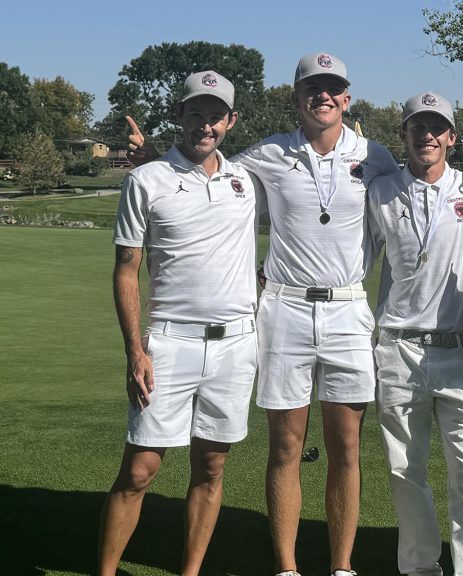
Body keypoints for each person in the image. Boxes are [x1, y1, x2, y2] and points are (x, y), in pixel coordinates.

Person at [128, 52, 399, 576]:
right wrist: (150, 163)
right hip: (285, 309)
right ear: (295, 98)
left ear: (347, 97)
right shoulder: (266, 155)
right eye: (311, 89)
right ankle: (287, 567)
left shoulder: (377, 157)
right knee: (287, 447)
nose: (323, 96)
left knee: (346, 449)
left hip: (348, 309)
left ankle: (342, 567)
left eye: (332, 88)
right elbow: (201, 167)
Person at [98, 71, 260, 576]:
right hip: (168, 344)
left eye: (215, 116)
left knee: (211, 467)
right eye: (196, 114)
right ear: (179, 116)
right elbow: (126, 271)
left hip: (236, 345)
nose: (205, 125)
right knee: (140, 469)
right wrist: (135, 351)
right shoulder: (145, 181)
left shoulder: (245, 181)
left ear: (230, 122)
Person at [367, 91, 463, 576]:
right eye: (418, 127)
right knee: (405, 471)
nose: (428, 136)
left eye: (437, 127)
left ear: (452, 138)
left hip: (460, 351)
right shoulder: (379, 191)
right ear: (405, 135)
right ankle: (420, 568)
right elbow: (348, 253)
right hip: (398, 348)